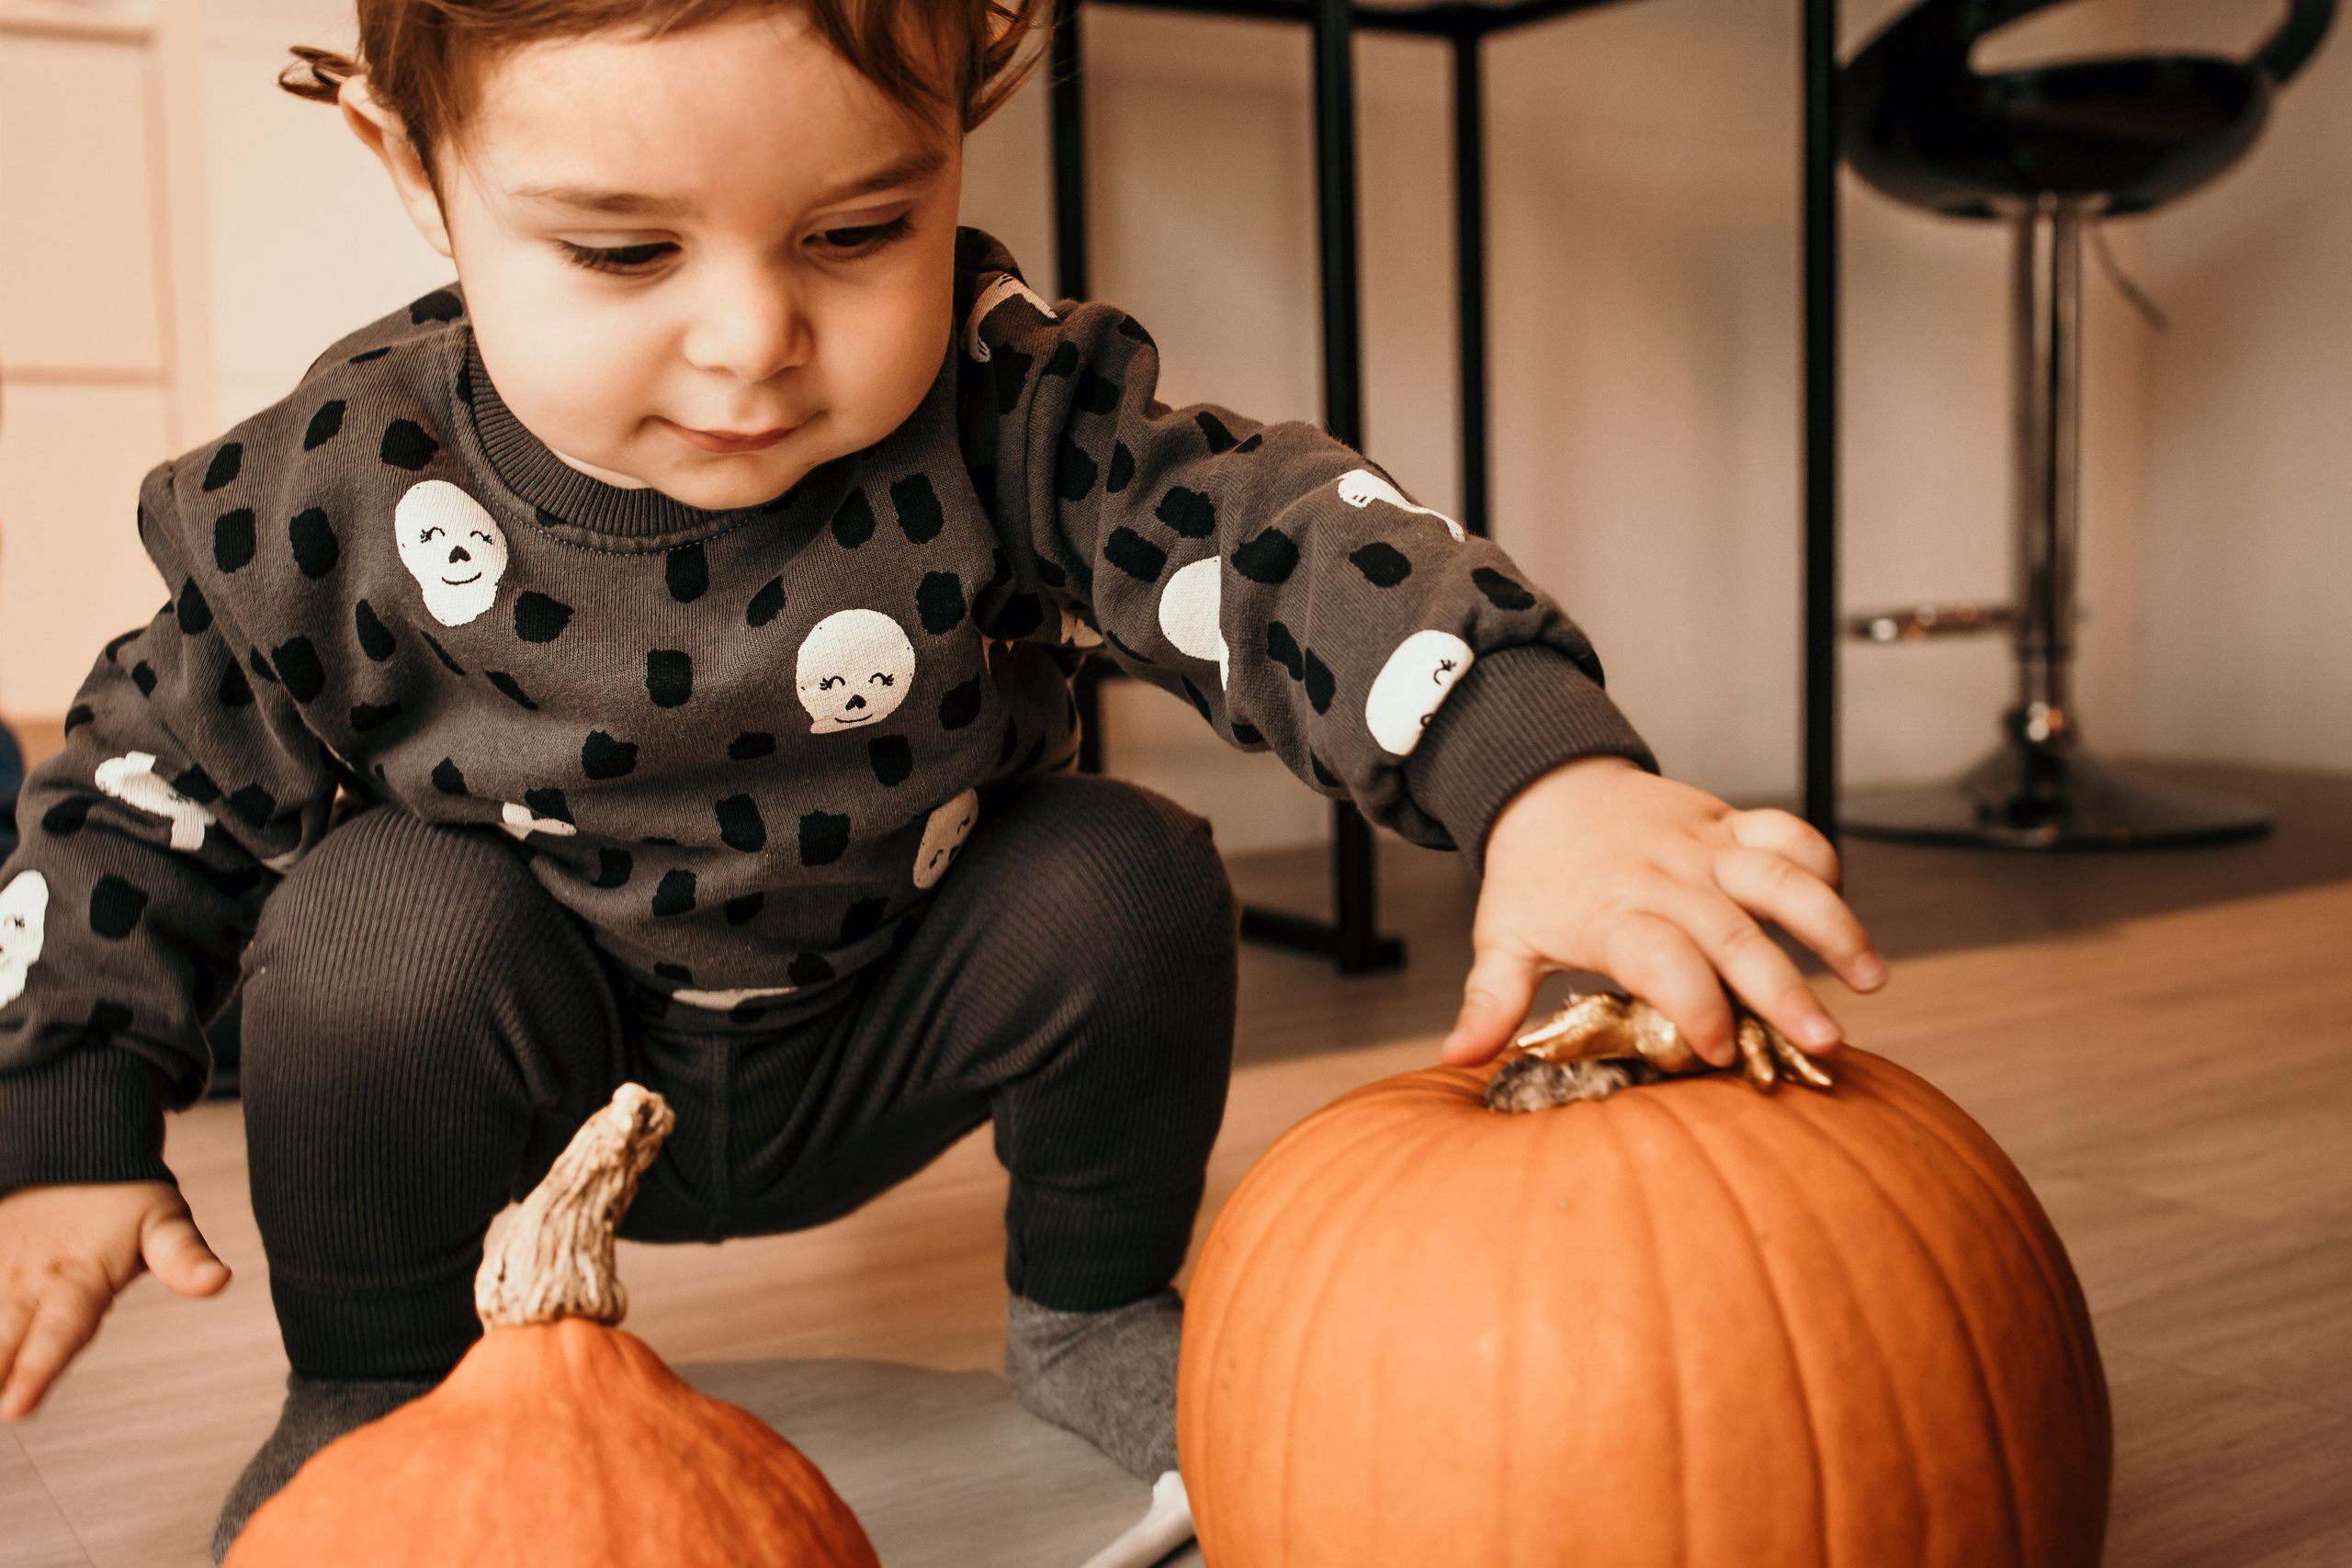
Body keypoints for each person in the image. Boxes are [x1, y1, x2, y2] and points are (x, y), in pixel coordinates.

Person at [0, 0, 1887, 1555]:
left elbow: (1265, 540)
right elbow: (141, 784)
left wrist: (1535, 773)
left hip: (881, 1017)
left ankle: (1090, 1301)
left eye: (856, 231)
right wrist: (65, 1115)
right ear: (413, 168)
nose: (753, 341)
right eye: (624, 250)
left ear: (964, 119)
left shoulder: (1002, 406)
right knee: (369, 918)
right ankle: (373, 1381)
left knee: (1127, 871)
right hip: (540, 1059)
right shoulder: (341, 483)